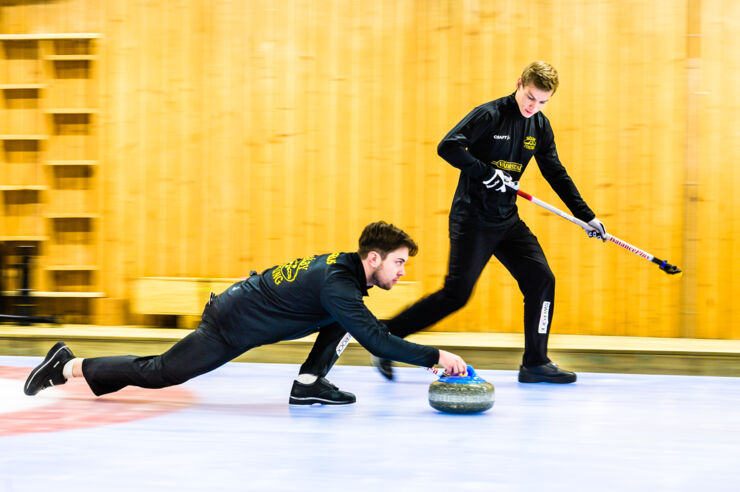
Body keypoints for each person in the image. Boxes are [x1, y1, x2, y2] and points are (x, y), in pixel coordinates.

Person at [23, 221, 467, 404]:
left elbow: (358, 325)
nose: (403, 271)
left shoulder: (347, 274)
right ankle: (68, 366)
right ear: (373, 258)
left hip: (245, 305)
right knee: (162, 372)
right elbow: (376, 341)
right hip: (229, 323)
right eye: (399, 262)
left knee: (346, 319)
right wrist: (435, 356)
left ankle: (308, 383)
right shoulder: (339, 285)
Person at [372, 61, 606, 384]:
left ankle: (535, 362)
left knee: (542, 279)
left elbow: (555, 172)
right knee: (456, 294)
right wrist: (485, 172)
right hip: (473, 219)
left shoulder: (539, 126)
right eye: (530, 97)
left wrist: (585, 216)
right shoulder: (490, 114)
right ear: (519, 83)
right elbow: (448, 146)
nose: (533, 106)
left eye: (542, 102)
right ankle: (385, 336)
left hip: (507, 221)